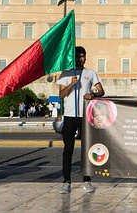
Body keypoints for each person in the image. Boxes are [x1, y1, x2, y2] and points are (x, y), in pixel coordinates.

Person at [57, 46, 104, 194]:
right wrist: (71, 84)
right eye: (78, 56)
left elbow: (101, 91)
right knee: (68, 150)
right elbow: (61, 95)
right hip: (70, 116)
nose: (80, 58)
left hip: (86, 116)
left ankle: (87, 181)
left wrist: (93, 95)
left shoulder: (91, 73)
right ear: (73, 57)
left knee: (87, 150)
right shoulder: (65, 74)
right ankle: (66, 181)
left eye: (83, 56)